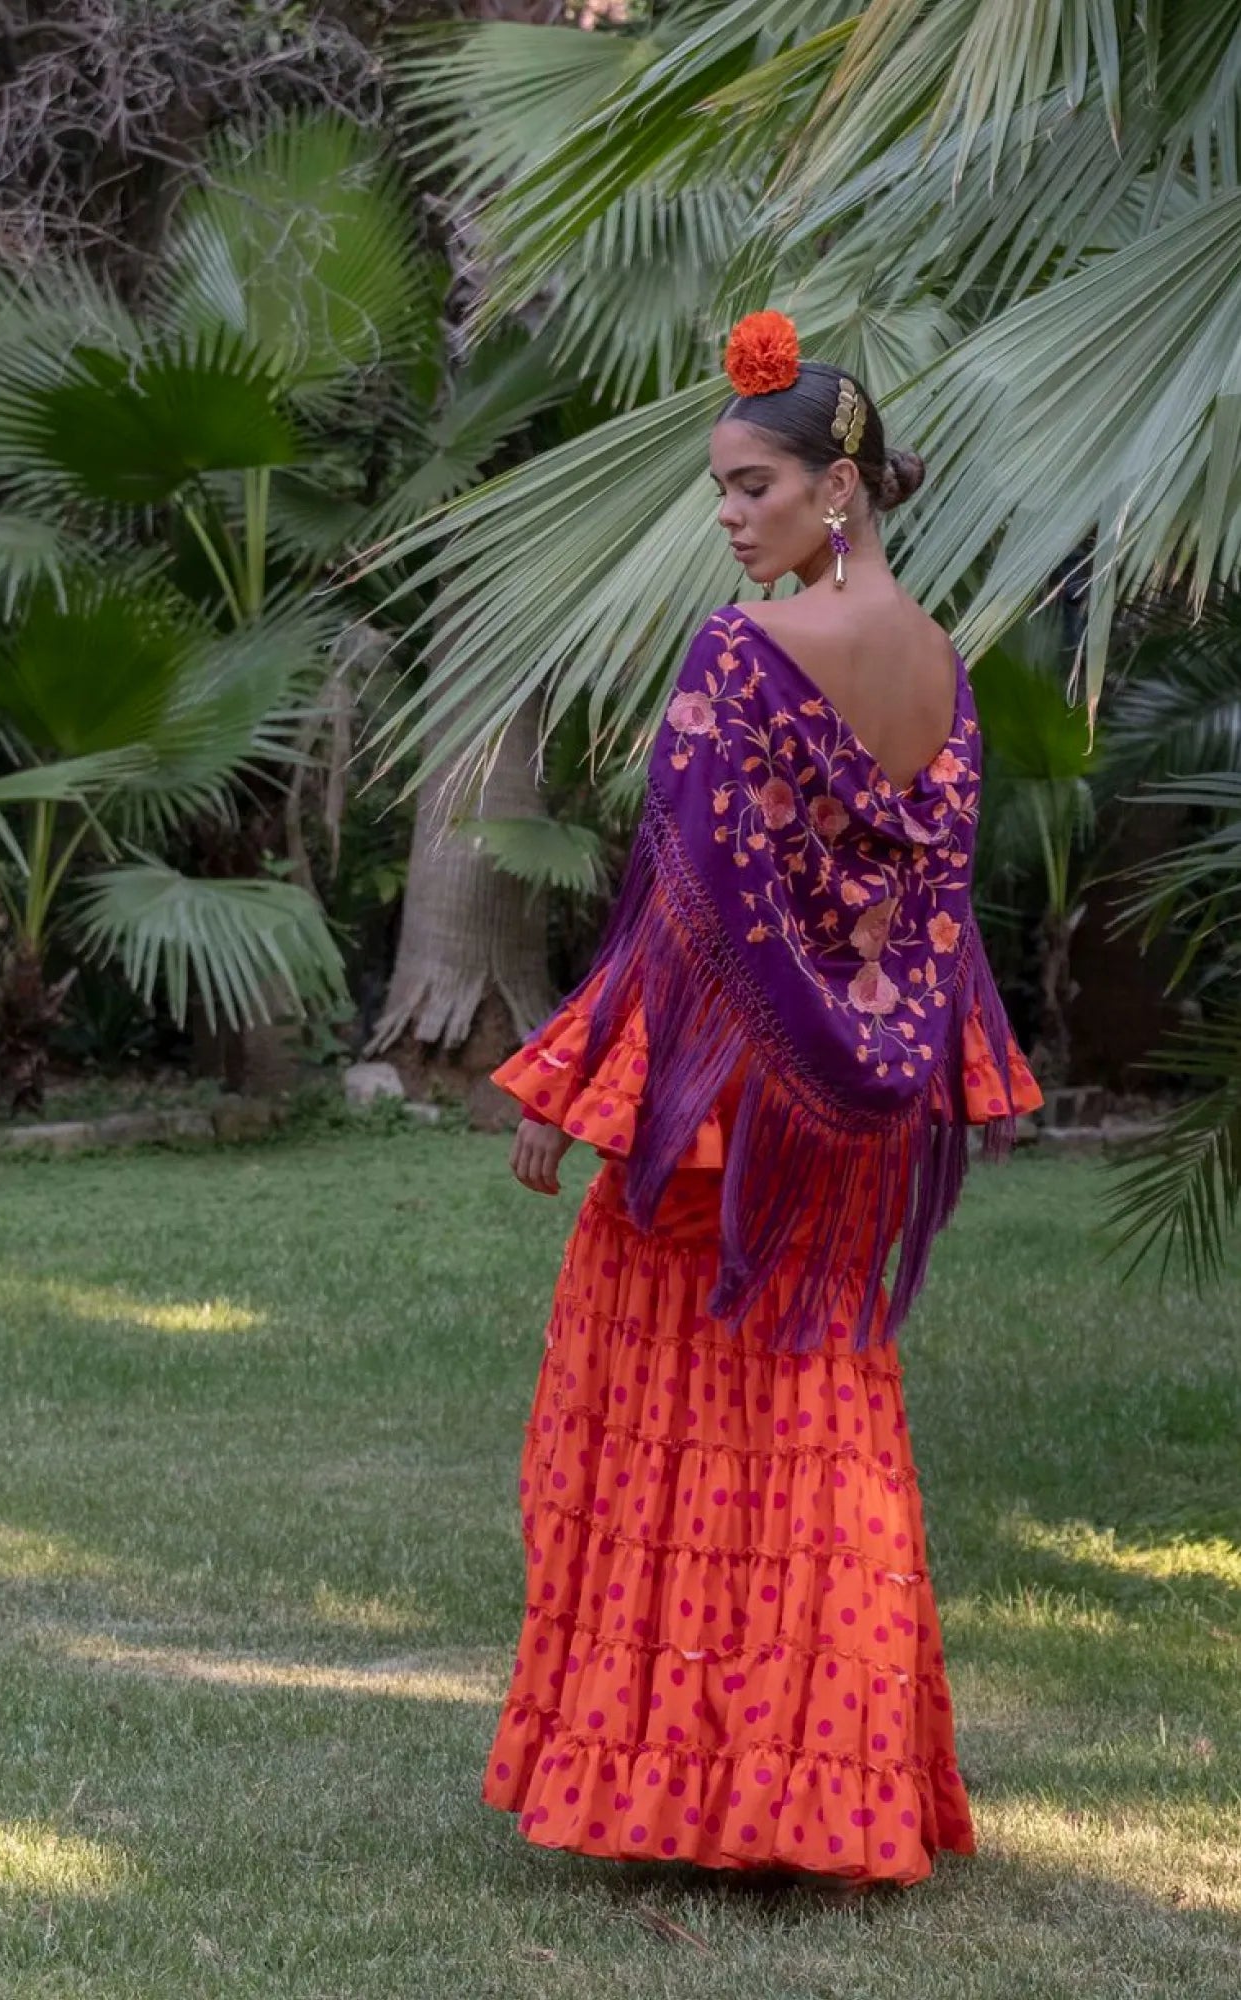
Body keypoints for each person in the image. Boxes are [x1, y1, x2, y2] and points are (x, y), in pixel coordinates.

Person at [481, 309, 1043, 1898]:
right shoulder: (942, 662)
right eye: (720, 493)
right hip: (866, 1101)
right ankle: (827, 1789)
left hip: (718, 1110)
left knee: (669, 1415)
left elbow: (688, 902)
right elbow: (925, 908)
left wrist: (586, 1086)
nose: (729, 519)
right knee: (821, 1414)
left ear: (836, 488)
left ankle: (682, 1784)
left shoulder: (744, 651)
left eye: (750, 488)